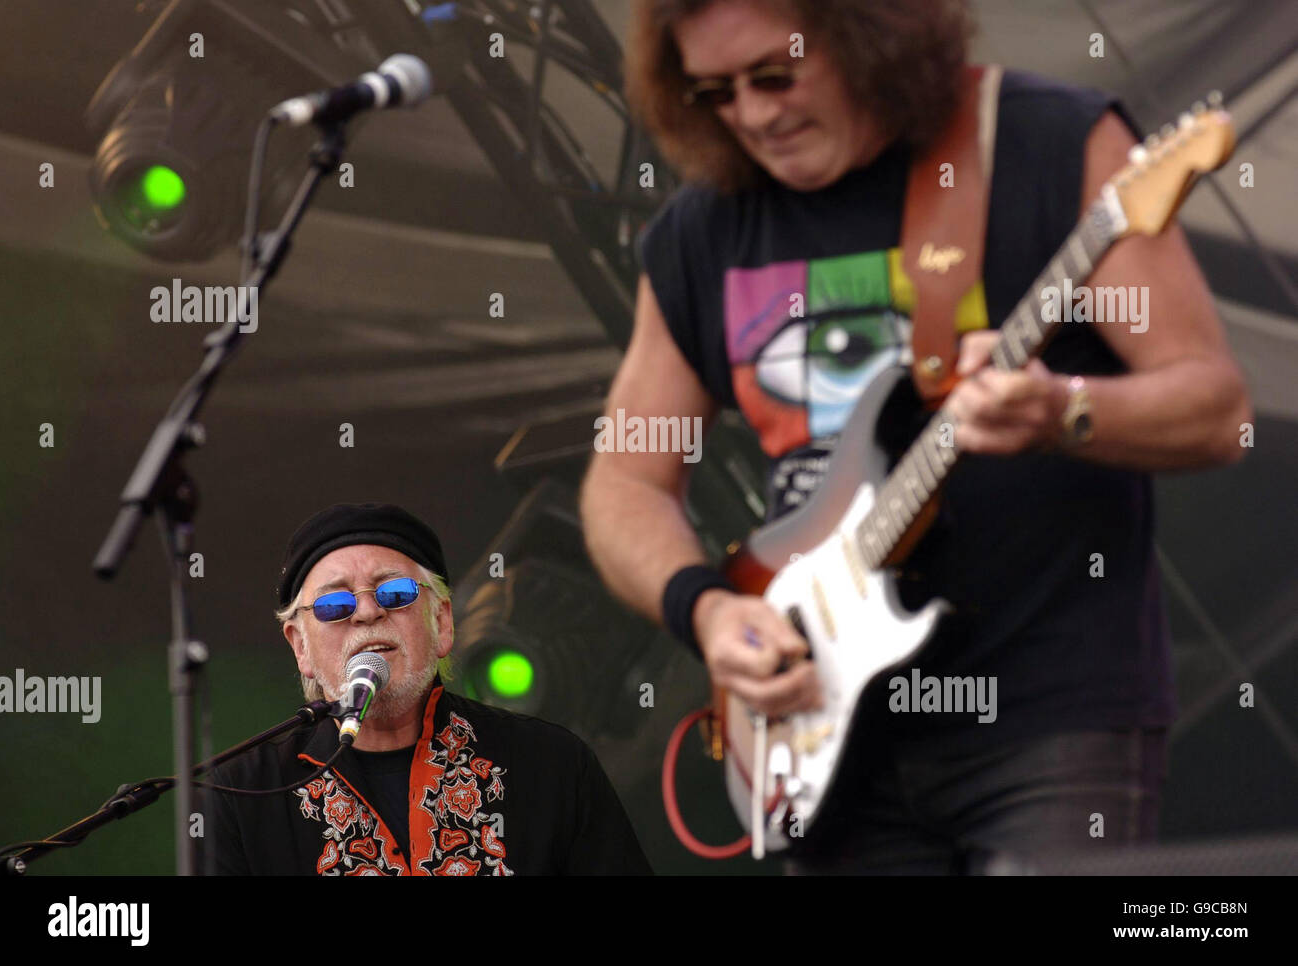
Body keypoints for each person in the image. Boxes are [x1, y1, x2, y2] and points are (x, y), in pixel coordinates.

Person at [580, 0, 1252, 873]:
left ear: (870, 38)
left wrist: (1065, 410)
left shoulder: (1044, 141)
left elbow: (1217, 411)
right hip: (826, 736)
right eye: (716, 93)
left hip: (1047, 712)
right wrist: (707, 611)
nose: (753, 113)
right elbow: (624, 482)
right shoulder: (702, 232)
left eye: (776, 74)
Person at [208, 502, 651, 875]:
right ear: (300, 646)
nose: (365, 612)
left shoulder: (554, 765)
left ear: (441, 623)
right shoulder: (245, 793)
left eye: (395, 593)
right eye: (335, 604)